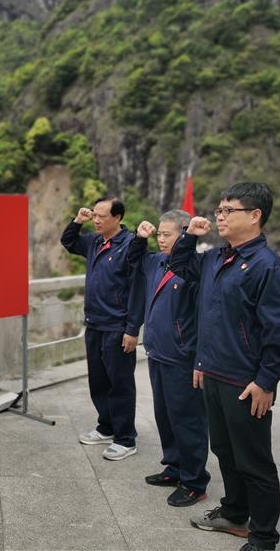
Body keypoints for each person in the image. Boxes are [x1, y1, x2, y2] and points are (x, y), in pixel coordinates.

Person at [167, 182, 280, 551]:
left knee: (254, 461)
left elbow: (279, 332)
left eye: (229, 210)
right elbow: (179, 265)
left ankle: (264, 538)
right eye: (219, 210)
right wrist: (189, 236)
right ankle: (235, 513)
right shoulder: (215, 259)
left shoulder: (268, 267)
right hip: (214, 372)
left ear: (255, 216)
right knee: (224, 450)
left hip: (246, 382)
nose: (220, 216)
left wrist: (266, 381)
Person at [129, 210, 210, 507]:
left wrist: (199, 358)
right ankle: (174, 467)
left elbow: (203, 316)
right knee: (165, 416)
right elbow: (133, 261)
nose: (161, 240)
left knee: (187, 420)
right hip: (158, 352)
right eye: (159, 234)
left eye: (167, 235)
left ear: (184, 234)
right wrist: (140, 238)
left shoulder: (195, 268)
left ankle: (194, 482)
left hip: (182, 356)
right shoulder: (156, 262)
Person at [60, 197, 143, 461]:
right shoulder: (95, 242)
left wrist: (132, 329)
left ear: (117, 218)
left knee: (120, 384)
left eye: (101, 216)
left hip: (117, 326)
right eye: (94, 215)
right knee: (98, 381)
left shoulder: (130, 245)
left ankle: (126, 438)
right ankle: (106, 427)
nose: (96, 220)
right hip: (94, 323)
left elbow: (138, 290)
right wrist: (77, 221)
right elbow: (68, 242)